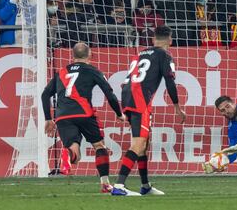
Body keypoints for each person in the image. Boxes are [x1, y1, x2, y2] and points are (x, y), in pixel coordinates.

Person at [112, 25, 186, 196]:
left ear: (153, 40)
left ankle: (145, 185)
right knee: (138, 143)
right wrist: (177, 107)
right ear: (170, 40)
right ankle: (119, 185)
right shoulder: (165, 55)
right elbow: (170, 81)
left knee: (144, 144)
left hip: (127, 94)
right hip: (140, 99)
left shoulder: (140, 54)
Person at [41, 43, 125, 193]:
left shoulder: (61, 72)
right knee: (99, 146)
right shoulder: (93, 71)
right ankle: (105, 184)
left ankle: (69, 153)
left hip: (62, 117)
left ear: (73, 56)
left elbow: (45, 94)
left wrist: (48, 118)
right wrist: (119, 114)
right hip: (84, 114)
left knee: (76, 155)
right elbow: (109, 94)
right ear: (90, 54)